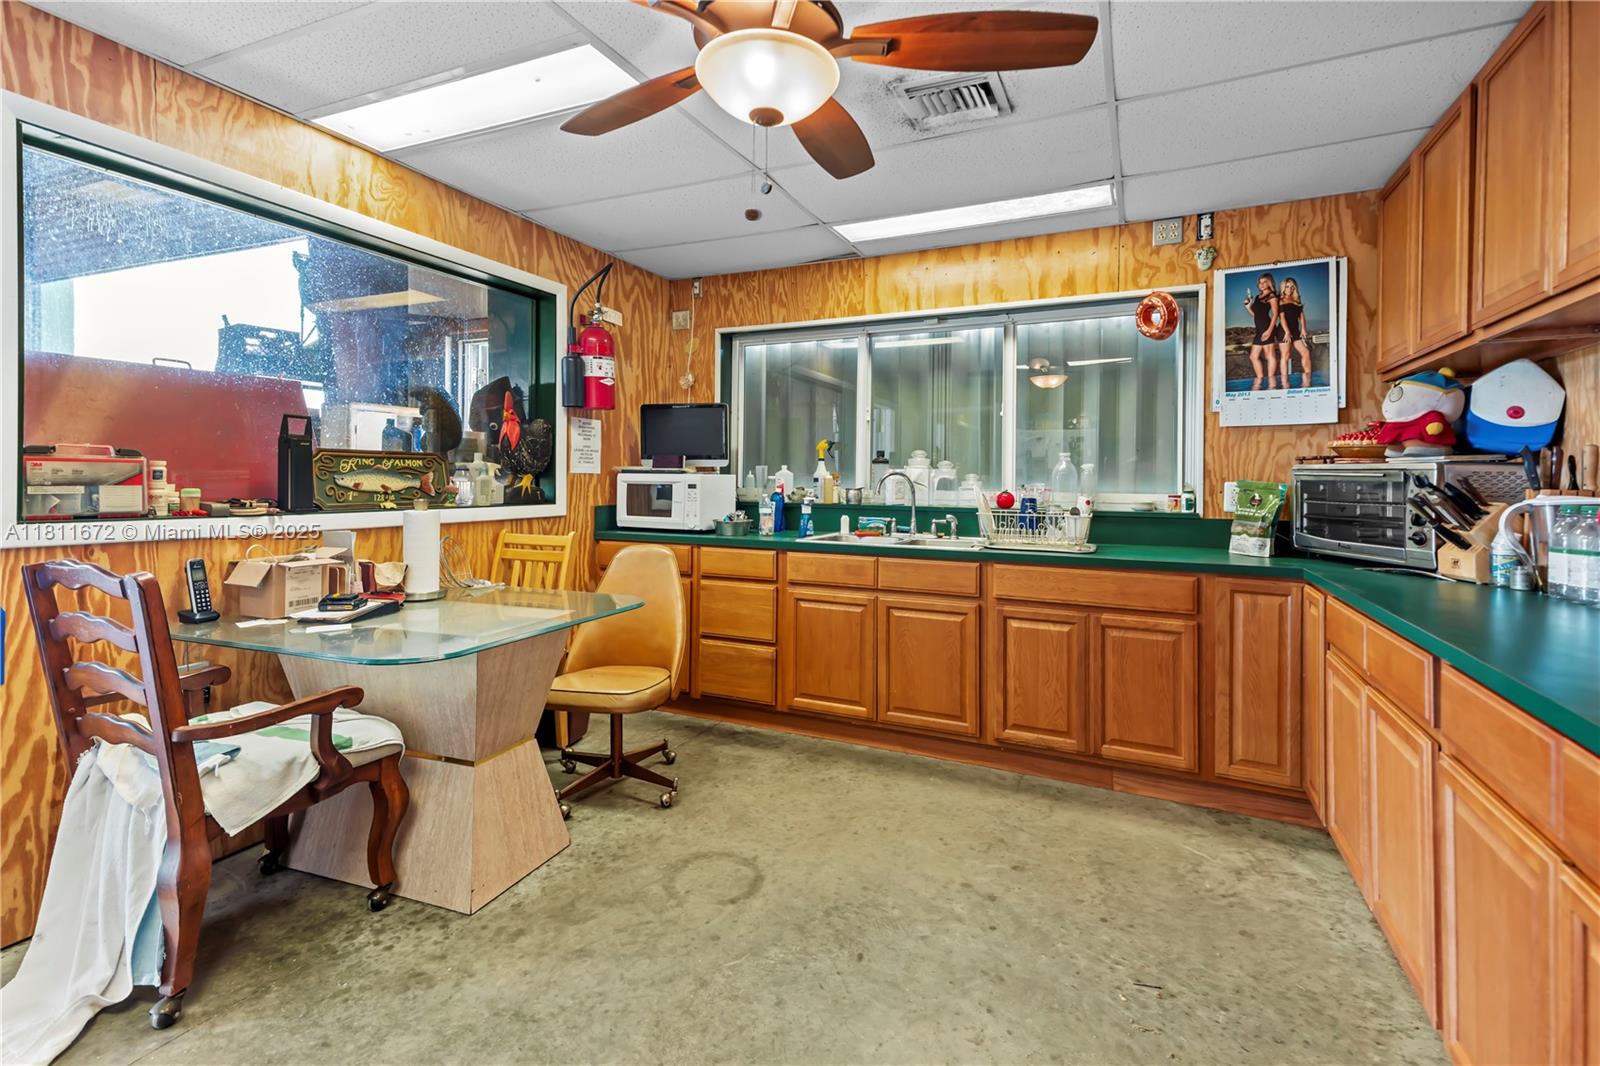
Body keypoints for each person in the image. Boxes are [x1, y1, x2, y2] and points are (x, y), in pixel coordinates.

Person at [1243, 273, 1282, 390]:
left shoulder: (1272, 296)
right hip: (1259, 330)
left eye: (1265, 282)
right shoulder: (1257, 297)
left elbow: (1275, 314)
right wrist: (1248, 307)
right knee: (1253, 356)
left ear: (1269, 283)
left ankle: (1271, 383)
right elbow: (1256, 315)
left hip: (1267, 327)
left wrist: (1270, 331)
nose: (1262, 284)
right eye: (1260, 282)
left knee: (1270, 356)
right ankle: (1259, 379)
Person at [1277, 277, 1314, 389]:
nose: (1289, 289)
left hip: (1296, 331)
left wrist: (1303, 328)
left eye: (1292, 287)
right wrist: (1287, 332)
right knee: (1285, 356)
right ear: (1283, 288)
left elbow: (1301, 317)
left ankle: (1307, 381)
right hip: (1284, 331)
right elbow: (1282, 317)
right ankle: (1285, 383)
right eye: (1287, 286)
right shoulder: (1280, 300)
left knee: (1305, 352)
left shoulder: (1297, 300)